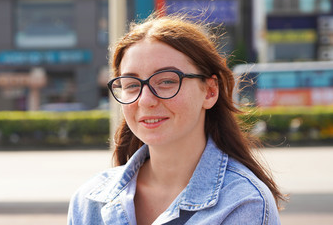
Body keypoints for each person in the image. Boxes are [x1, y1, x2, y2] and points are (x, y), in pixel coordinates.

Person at [67, 12, 285, 224]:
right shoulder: (89, 201)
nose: (145, 100)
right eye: (132, 85)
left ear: (210, 92)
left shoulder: (243, 202)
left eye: (167, 81)